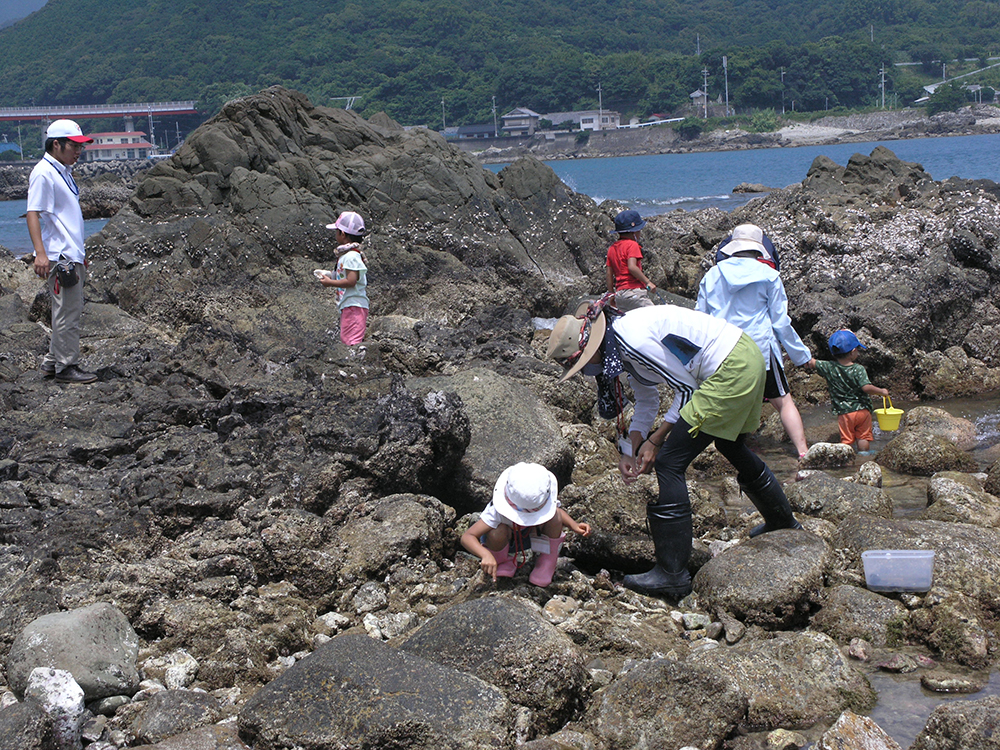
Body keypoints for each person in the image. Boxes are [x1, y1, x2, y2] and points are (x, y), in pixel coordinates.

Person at [547, 296, 802, 598]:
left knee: (669, 463)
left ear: (589, 352)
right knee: (729, 444)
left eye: (580, 364)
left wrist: (656, 440)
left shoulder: (631, 341)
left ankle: (672, 574)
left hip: (730, 367)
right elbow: (647, 399)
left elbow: (686, 389)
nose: (586, 370)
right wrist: (631, 449)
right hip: (743, 356)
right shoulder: (618, 345)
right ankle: (782, 522)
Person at [696, 224, 812, 458]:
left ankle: (720, 454)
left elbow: (700, 319)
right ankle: (803, 453)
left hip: (723, 348)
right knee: (783, 402)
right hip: (760, 348)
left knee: (723, 403)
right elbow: (780, 323)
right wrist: (802, 356)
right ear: (758, 249)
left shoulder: (712, 275)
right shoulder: (770, 275)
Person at [27, 119, 97, 384]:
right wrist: (40, 253)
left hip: (71, 253)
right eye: (74, 146)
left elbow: (67, 219)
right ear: (56, 144)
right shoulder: (44, 172)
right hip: (60, 256)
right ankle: (66, 367)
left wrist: (80, 252)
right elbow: (33, 213)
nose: (78, 152)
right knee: (67, 313)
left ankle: (51, 363)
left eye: (81, 147)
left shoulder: (62, 171)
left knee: (69, 309)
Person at [461, 462, 592, 587]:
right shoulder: (497, 511)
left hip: (530, 536)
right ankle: (500, 560)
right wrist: (485, 554)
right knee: (496, 531)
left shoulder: (539, 498)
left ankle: (546, 562)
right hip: (505, 542)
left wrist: (574, 525)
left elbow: (556, 512)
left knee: (556, 517)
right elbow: (467, 537)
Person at [814, 330, 889, 455]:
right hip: (862, 411)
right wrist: (881, 391)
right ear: (853, 352)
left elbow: (811, 362)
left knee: (847, 440)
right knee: (863, 437)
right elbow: (866, 387)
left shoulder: (828, 367)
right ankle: (864, 457)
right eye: (857, 350)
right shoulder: (858, 369)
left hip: (845, 413)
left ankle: (846, 459)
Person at [318, 211, 369, 346]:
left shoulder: (351, 256)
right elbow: (344, 275)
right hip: (350, 305)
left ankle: (357, 365)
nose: (335, 235)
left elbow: (351, 281)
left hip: (354, 305)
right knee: (347, 339)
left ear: (343, 234)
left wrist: (330, 283)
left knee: (351, 342)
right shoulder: (348, 255)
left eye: (337, 232)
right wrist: (329, 275)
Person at [606, 209, 656, 311]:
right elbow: (632, 267)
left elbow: (609, 274)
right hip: (634, 292)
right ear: (634, 232)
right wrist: (648, 282)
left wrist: (611, 294)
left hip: (620, 296)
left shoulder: (612, 248)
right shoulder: (632, 245)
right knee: (654, 316)